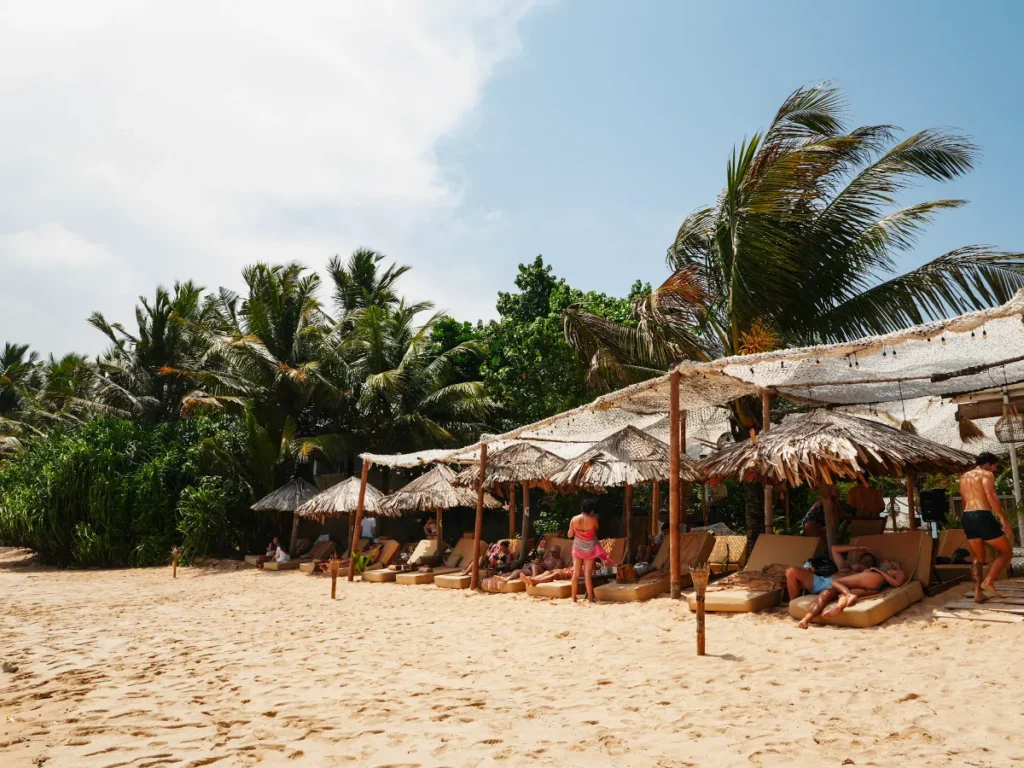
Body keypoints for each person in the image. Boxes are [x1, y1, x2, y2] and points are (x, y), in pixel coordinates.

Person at [960, 452, 1014, 602]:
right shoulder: (986, 474)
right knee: (1006, 552)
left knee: (978, 557)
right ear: (988, 464)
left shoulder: (964, 477)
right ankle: (988, 581)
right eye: (995, 465)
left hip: (967, 516)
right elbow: (991, 496)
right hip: (982, 515)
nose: (995, 469)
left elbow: (964, 500)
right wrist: (1003, 518)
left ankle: (978, 593)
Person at [796, 559, 905, 629]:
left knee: (835, 582)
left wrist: (879, 571)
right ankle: (839, 607)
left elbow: (897, 583)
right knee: (841, 594)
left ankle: (849, 595)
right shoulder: (877, 570)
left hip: (873, 578)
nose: (882, 563)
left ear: (891, 563)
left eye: (885, 561)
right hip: (874, 587)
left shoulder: (897, 572)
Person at [784, 544, 876, 601]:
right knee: (791, 571)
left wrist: (868, 569)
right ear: (858, 561)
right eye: (864, 559)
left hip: (836, 588)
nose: (866, 562)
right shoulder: (844, 568)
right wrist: (857, 548)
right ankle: (793, 603)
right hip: (822, 582)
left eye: (869, 561)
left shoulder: (868, 576)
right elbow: (834, 549)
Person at [568, 498, 614, 603]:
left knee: (576, 573)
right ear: (592, 510)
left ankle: (574, 598)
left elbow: (570, 534)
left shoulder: (574, 519)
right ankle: (590, 598)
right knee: (587, 573)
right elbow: (596, 528)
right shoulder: (594, 520)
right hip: (590, 549)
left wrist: (577, 531)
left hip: (577, 548)